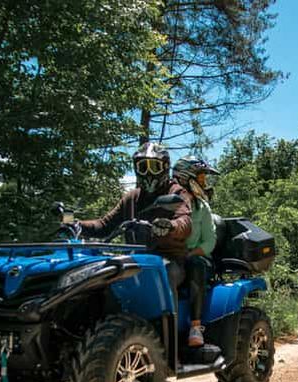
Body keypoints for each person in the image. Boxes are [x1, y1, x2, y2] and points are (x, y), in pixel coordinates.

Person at [76, 142, 193, 289]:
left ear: (165, 167)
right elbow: (104, 225)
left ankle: (167, 306)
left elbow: (185, 221)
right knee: (105, 276)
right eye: (143, 167)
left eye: (154, 166)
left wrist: (170, 226)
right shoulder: (132, 197)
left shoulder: (176, 192)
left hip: (169, 258)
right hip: (135, 258)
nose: (148, 172)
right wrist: (76, 224)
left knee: (163, 274)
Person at [172, 156, 219, 347]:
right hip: (172, 257)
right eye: (201, 177)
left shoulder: (202, 208)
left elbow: (209, 242)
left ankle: (195, 326)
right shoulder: (167, 204)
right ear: (186, 178)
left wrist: (190, 254)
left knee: (195, 264)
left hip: (198, 257)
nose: (204, 182)